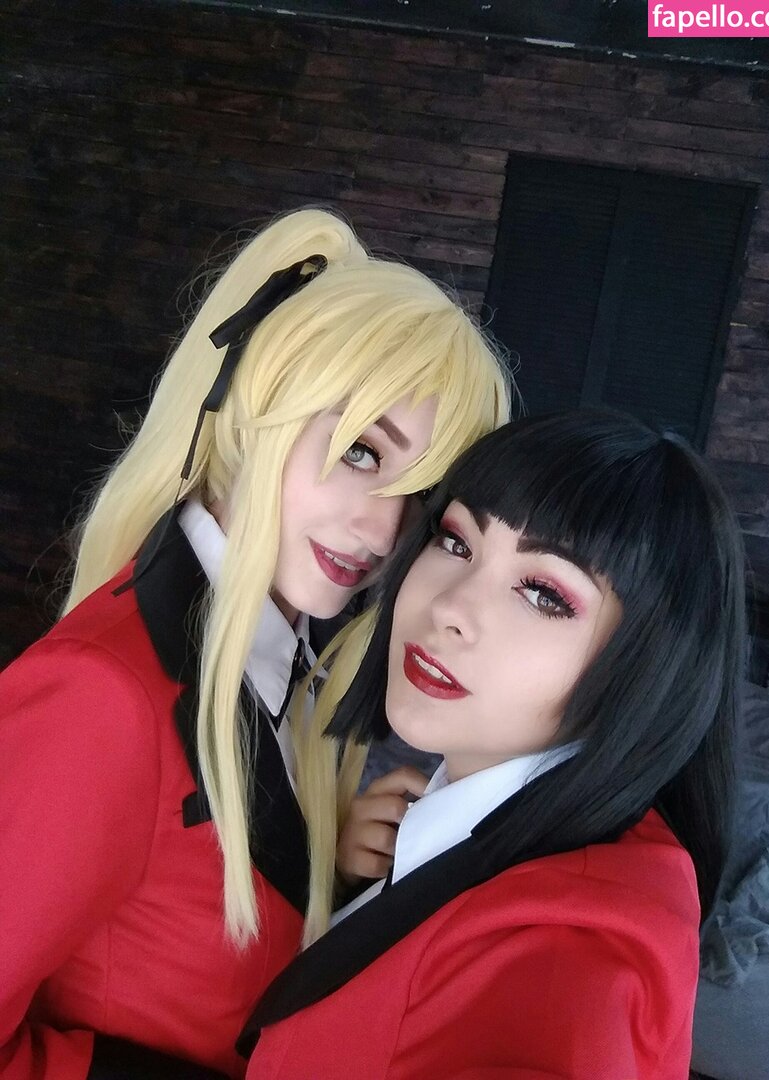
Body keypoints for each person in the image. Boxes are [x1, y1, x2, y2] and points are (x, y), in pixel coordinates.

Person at [0, 208, 511, 1080]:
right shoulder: (100, 698)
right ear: (258, 413)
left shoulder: (291, 660)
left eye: (420, 496)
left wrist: (329, 866)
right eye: (360, 452)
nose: (382, 532)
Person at [241, 409, 746, 1080]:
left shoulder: (569, 971)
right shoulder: (457, 827)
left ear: (649, 666)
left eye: (542, 593)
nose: (449, 607)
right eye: (456, 542)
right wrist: (360, 890)